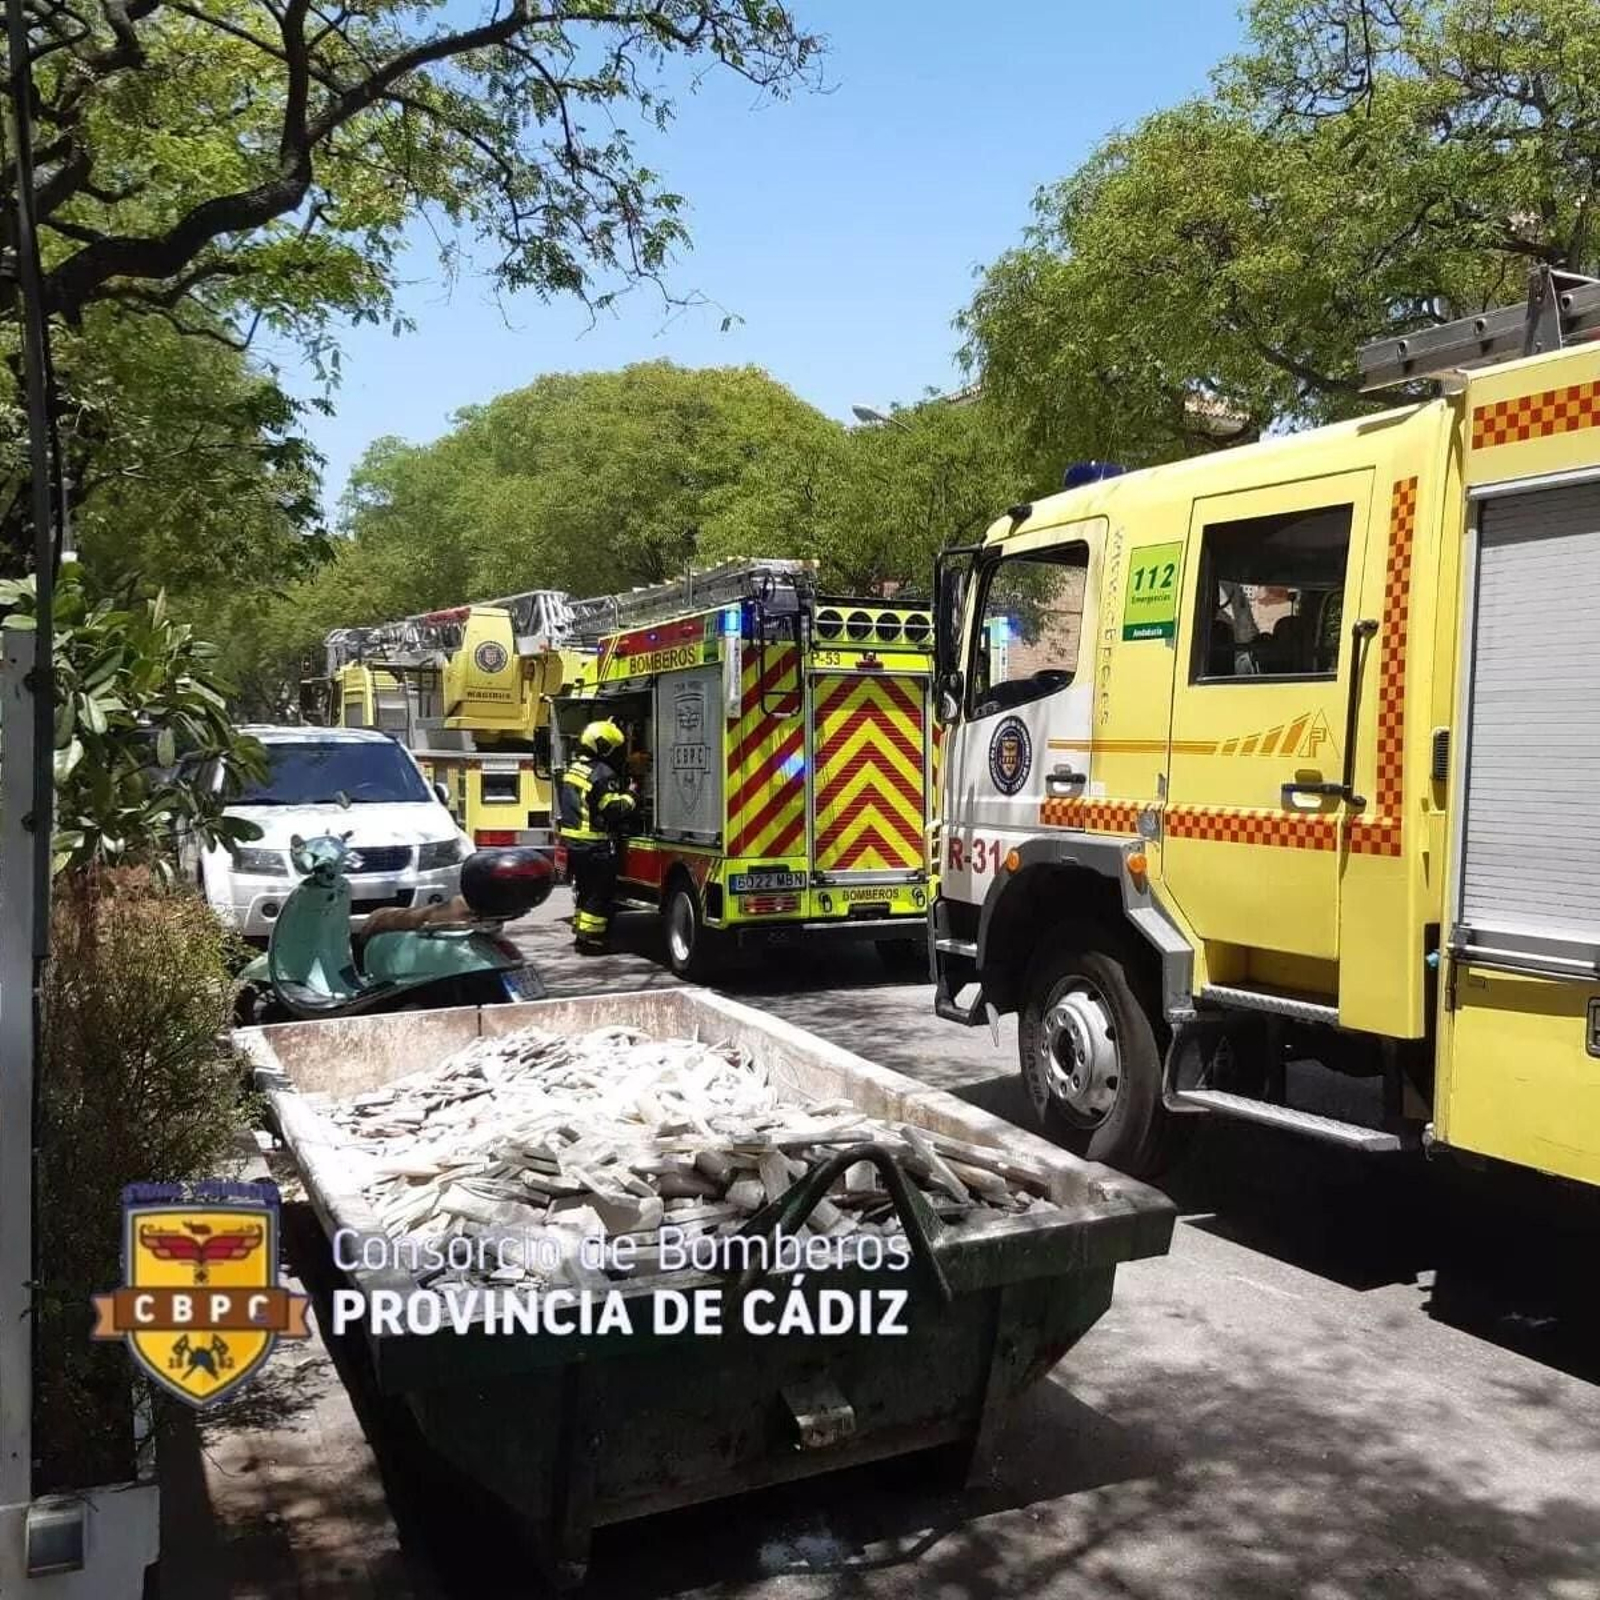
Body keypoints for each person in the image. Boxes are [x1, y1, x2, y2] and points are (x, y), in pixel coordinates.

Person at [557, 718, 637, 953]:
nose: (615, 753)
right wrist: (632, 795)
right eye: (613, 748)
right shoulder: (602, 773)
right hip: (595, 846)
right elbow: (613, 809)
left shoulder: (574, 769)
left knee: (584, 890)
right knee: (600, 894)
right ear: (602, 746)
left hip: (574, 844)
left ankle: (581, 934)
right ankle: (592, 941)